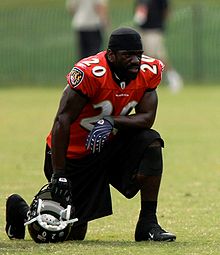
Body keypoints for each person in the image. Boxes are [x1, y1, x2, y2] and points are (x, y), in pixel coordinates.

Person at [5, 27, 176, 242]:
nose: (135, 61)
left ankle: (148, 224)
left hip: (108, 147)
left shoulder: (148, 71)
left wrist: (111, 121)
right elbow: (62, 120)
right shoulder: (89, 73)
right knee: (65, 233)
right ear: (111, 55)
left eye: (138, 55)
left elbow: (146, 118)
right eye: (128, 55)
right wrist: (59, 172)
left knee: (150, 141)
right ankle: (20, 211)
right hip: (74, 155)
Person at [133, 0, 183, 93]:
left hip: (154, 30)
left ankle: (172, 77)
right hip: (142, 29)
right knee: (146, 56)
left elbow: (166, 11)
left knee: (155, 57)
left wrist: (160, 23)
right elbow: (139, 10)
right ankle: (149, 81)